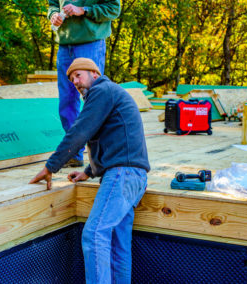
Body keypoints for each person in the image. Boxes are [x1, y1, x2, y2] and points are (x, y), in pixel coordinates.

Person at [30, 58, 150, 284]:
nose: (75, 81)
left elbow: (80, 131)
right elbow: (112, 139)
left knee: (94, 235)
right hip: (134, 176)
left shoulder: (102, 90)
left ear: (94, 73)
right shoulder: (110, 93)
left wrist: (50, 167)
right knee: (117, 241)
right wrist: (89, 171)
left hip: (122, 175)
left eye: (78, 75)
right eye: (71, 78)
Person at [48, 0, 121, 167]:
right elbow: (52, 5)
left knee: (95, 98)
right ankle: (73, 153)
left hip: (90, 43)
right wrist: (53, 15)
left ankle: (103, 156)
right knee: (66, 101)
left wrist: (83, 10)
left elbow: (114, 9)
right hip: (65, 45)